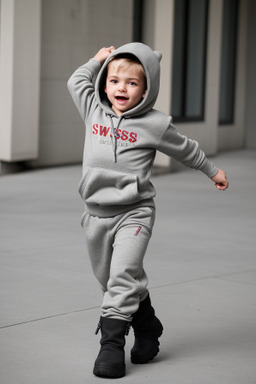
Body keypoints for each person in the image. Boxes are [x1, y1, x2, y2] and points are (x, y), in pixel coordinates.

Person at [67, 42, 229, 378]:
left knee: (123, 275)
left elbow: (186, 149)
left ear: (146, 89)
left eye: (131, 83)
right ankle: (148, 326)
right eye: (114, 81)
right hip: (95, 214)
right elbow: (75, 82)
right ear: (104, 83)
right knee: (110, 279)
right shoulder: (93, 109)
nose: (121, 88)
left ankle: (111, 346)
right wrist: (96, 60)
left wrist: (212, 171)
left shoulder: (154, 124)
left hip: (134, 213)